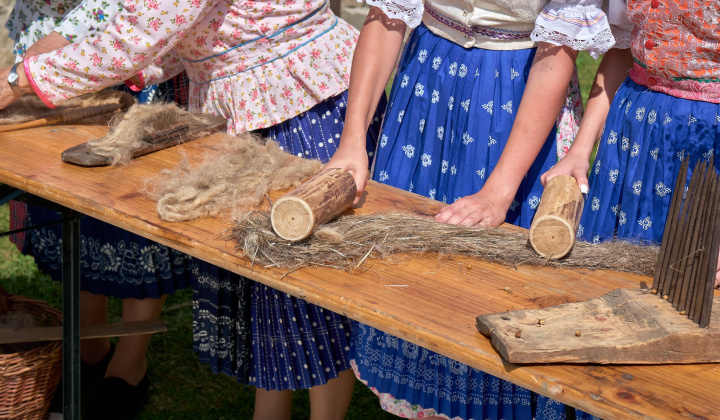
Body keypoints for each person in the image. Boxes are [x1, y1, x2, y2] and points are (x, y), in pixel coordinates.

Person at [0, 1, 385, 419]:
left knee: (310, 288)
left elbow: (142, 30)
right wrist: (125, 68)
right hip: (252, 102)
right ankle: (269, 411)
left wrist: (19, 80)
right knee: (263, 287)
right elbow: (172, 33)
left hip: (299, 100)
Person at [324, 0, 622, 418]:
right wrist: (353, 139)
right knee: (407, 279)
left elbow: (556, 55)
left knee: (495, 291)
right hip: (427, 85)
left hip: (513, 98)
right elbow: (386, 15)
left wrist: (500, 191)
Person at [4, 1, 190, 419]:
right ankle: (89, 349)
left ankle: (128, 366)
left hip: (131, 49)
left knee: (131, 220)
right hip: (50, 52)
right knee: (74, 215)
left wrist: (39, 64)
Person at [539, 0, 720, 289]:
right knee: (603, 288)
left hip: (708, 142)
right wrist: (580, 150)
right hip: (634, 128)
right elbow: (625, 49)